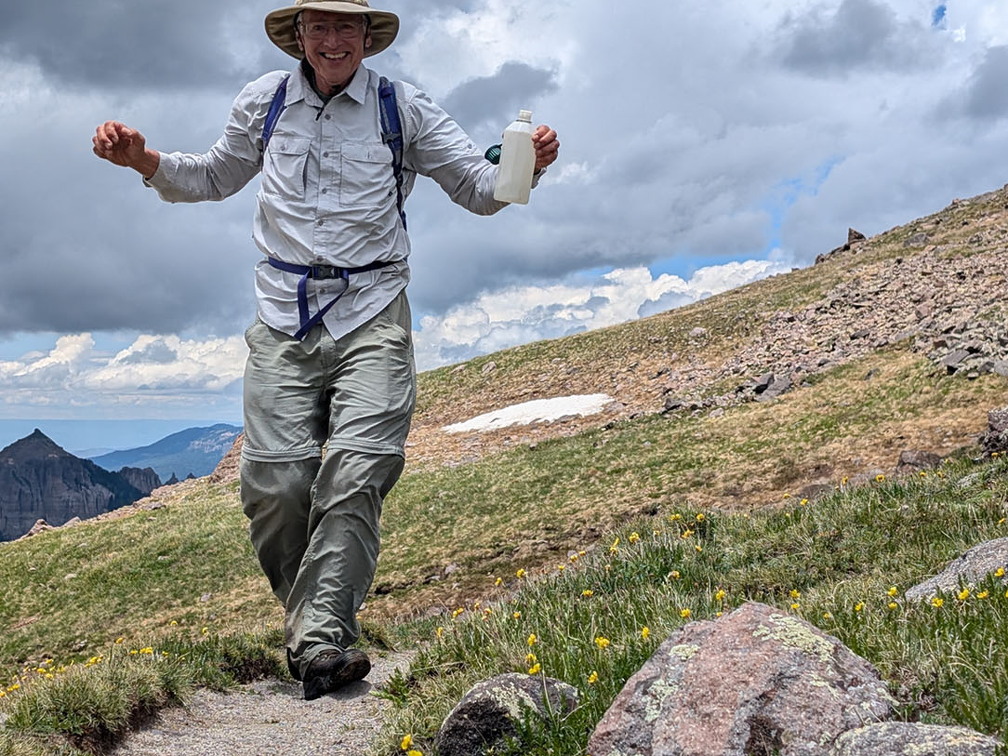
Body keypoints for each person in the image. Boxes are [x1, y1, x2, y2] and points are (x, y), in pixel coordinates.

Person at [92, 0, 559, 701]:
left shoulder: (403, 107)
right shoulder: (265, 101)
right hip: (282, 315)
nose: (333, 40)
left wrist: (529, 164)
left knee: (358, 469)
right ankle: (315, 625)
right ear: (298, 36)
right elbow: (213, 176)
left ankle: (319, 643)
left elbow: (480, 187)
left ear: (367, 37)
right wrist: (143, 160)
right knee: (275, 484)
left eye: (347, 27)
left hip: (373, 311)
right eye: (320, 26)